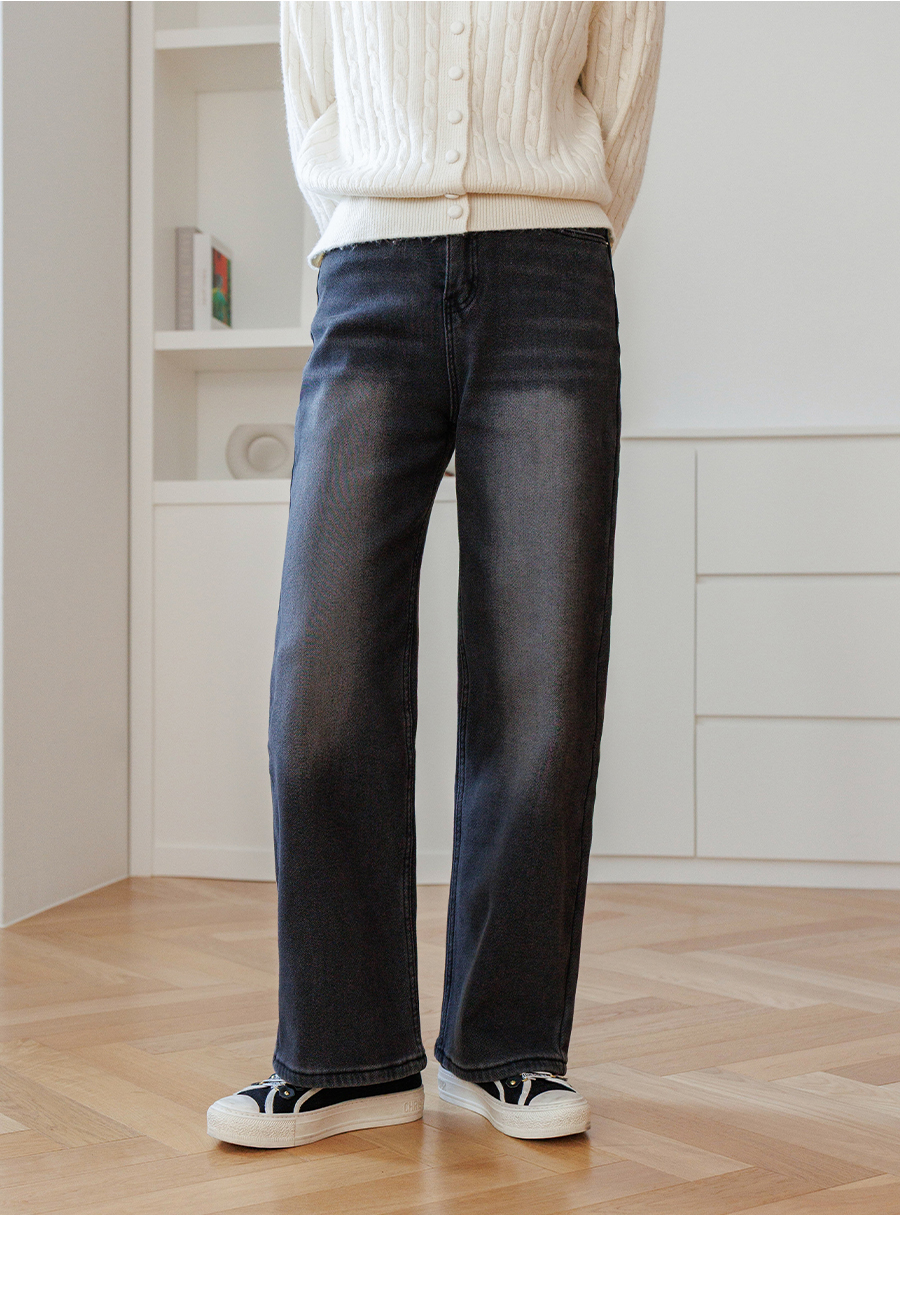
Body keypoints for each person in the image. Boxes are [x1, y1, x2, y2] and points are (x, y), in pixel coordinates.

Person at [207, 0, 664, 1150]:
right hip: (369, 275)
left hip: (550, 275)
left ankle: (502, 1051)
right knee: (323, 679)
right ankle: (345, 1057)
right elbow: (313, 98)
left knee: (541, 683)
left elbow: (622, 103)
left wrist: (550, 220)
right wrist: (371, 215)